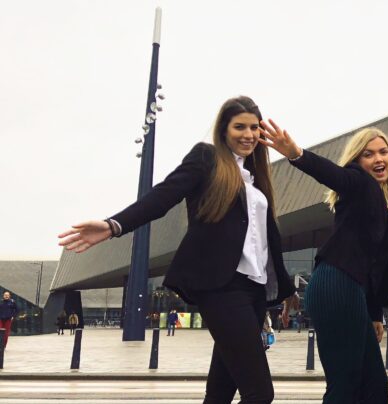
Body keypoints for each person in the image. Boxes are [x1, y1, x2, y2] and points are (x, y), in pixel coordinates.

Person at [58, 96, 296, 403]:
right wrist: (113, 225)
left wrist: (283, 289)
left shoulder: (256, 178)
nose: (248, 134)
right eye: (240, 127)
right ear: (224, 130)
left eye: (254, 128)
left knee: (220, 393)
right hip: (222, 288)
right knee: (260, 394)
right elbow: (163, 196)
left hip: (254, 289)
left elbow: (263, 243)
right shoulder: (207, 159)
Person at [259, 122, 388, 404]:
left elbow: (381, 270)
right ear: (357, 162)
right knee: (345, 385)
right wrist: (297, 154)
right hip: (336, 283)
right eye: (368, 154)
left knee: (375, 389)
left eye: (383, 152)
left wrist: (375, 313)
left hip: (351, 291)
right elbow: (336, 176)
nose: (378, 159)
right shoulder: (360, 183)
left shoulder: (386, 212)